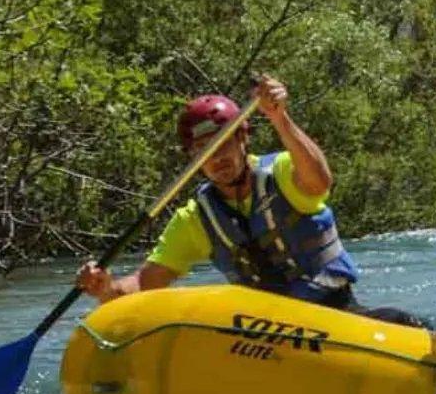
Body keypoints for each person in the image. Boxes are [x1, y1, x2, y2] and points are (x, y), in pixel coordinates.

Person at [78, 77, 414, 323]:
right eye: (203, 151)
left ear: (243, 138)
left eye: (223, 143)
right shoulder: (195, 218)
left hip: (334, 312)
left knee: (402, 322)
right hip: (263, 330)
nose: (216, 158)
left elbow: (319, 181)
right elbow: (146, 284)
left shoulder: (282, 172)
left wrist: (279, 117)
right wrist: (106, 289)